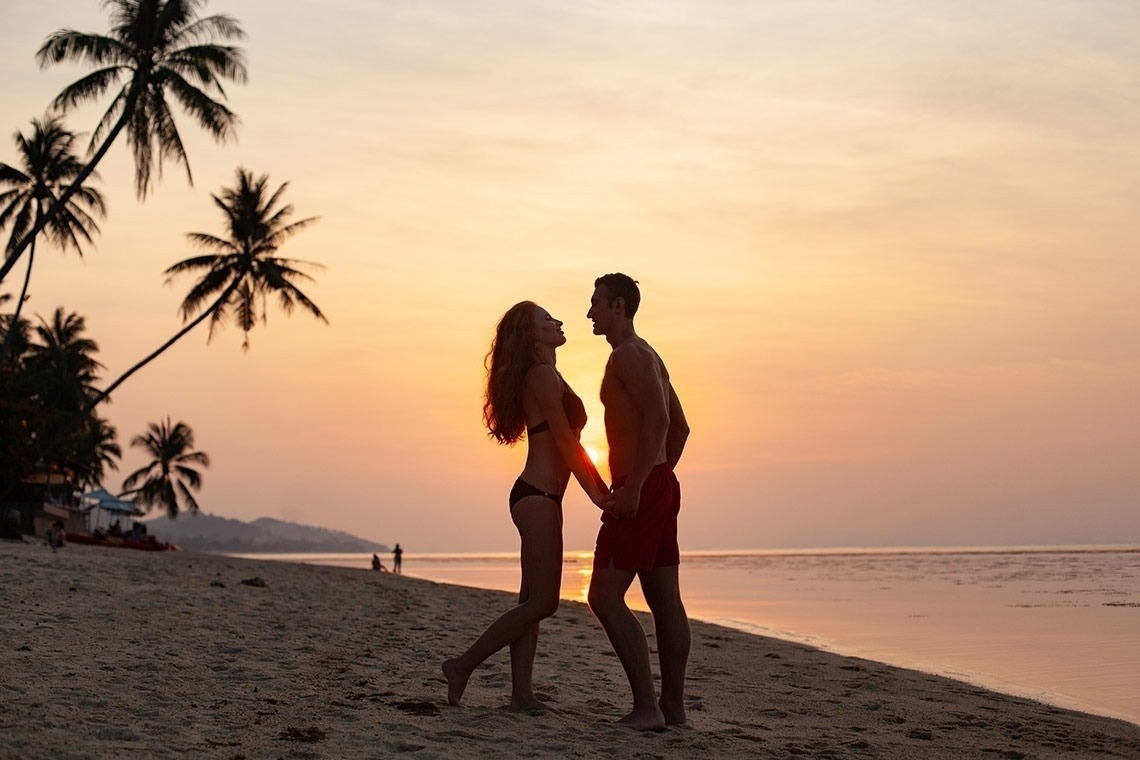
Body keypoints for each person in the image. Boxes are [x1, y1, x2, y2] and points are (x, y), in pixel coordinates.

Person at [443, 301, 612, 712]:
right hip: (535, 496)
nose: (558, 321)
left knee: (529, 601)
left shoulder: (550, 374)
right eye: (546, 320)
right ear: (532, 336)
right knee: (544, 602)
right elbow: (566, 443)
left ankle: (521, 695)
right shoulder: (540, 376)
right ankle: (461, 665)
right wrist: (601, 496)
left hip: (544, 498)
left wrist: (596, 492)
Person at [585, 273, 692, 731]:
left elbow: (662, 418)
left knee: (604, 595)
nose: (590, 312)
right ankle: (672, 709)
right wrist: (662, 474)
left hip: (641, 486)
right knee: (663, 597)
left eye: (596, 303)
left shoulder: (629, 356)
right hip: (658, 482)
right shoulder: (648, 353)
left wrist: (635, 486)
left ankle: (648, 708)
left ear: (619, 306)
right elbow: (681, 429)